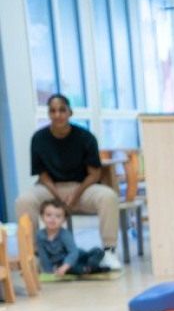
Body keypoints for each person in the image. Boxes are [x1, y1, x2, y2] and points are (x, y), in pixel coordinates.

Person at [14, 94, 121, 271]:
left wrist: (76, 194)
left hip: (82, 187)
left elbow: (94, 174)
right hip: (50, 188)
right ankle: (33, 255)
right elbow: (42, 174)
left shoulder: (86, 137)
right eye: (53, 111)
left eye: (62, 110)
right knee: (23, 201)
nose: (57, 115)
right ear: (49, 114)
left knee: (108, 196)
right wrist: (57, 197)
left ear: (70, 112)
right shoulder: (39, 138)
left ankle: (109, 252)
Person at [35, 199, 108, 276]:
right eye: (48, 215)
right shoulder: (40, 235)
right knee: (73, 269)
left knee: (98, 251)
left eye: (58, 216)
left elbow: (73, 252)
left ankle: (90, 266)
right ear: (42, 217)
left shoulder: (65, 234)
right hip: (63, 263)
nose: (53, 219)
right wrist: (49, 272)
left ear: (64, 220)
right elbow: (43, 256)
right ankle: (90, 269)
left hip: (77, 256)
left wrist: (65, 266)